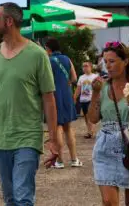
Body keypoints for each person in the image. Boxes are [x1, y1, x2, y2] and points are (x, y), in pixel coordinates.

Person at [0, 3, 60, 206]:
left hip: (27, 137)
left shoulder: (37, 55)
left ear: (9, 21)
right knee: (10, 199)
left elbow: (49, 99)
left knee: (23, 197)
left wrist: (53, 139)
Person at [87, 42, 129, 206]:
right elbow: (93, 118)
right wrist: (95, 93)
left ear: (125, 61)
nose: (108, 66)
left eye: (112, 61)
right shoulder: (102, 86)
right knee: (108, 202)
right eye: (105, 61)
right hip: (106, 143)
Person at [45, 39, 80, 169]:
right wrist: (67, 84)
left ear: (48, 48)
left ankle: (59, 161)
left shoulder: (47, 61)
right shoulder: (67, 59)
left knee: (57, 127)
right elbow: (74, 78)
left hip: (53, 95)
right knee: (68, 128)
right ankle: (74, 159)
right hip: (66, 94)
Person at [76, 62, 99, 139]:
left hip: (91, 99)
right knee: (86, 116)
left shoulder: (95, 77)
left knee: (90, 116)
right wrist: (74, 97)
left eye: (86, 66)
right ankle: (89, 130)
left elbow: (99, 88)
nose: (85, 68)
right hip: (83, 99)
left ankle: (90, 132)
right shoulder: (81, 77)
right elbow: (78, 89)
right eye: (83, 66)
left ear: (91, 67)